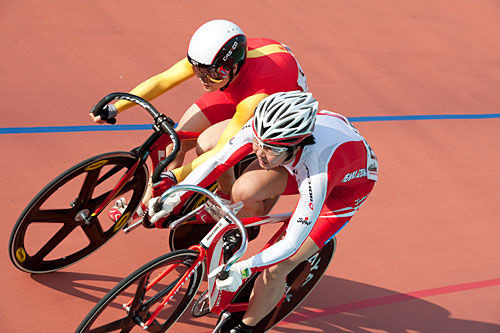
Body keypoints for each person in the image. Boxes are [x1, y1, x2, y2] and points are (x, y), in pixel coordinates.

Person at [148, 90, 379, 332]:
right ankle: (249, 229)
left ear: (295, 145)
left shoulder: (318, 170)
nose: (259, 152)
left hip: (345, 189)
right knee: (244, 189)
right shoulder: (264, 128)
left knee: (280, 267)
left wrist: (245, 268)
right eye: (258, 143)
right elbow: (218, 161)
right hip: (298, 160)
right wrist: (174, 197)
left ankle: (247, 326)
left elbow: (291, 243)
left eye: (269, 149)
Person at [89, 19, 308, 223]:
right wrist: (115, 106)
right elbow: (164, 80)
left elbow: (224, 149)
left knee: (208, 144)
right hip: (233, 87)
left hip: (268, 101)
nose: (203, 80)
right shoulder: (211, 62)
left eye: (210, 74)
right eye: (198, 72)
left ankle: (225, 198)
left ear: (232, 65)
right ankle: (147, 204)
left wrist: (175, 176)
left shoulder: (254, 94)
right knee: (176, 140)